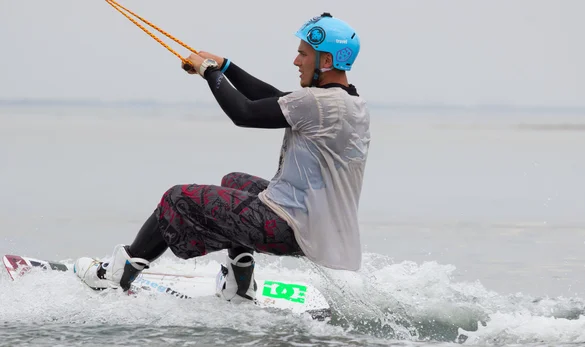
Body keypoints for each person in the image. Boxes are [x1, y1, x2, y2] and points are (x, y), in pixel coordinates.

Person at [74, 12, 371, 303]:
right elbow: (273, 97)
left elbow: (244, 112)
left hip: (293, 229)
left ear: (327, 61)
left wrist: (209, 72)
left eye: (303, 55)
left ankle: (116, 276)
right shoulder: (349, 104)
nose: (296, 61)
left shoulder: (316, 104)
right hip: (318, 225)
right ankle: (238, 285)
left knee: (178, 198)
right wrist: (225, 66)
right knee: (234, 182)